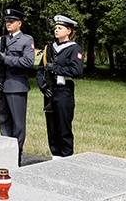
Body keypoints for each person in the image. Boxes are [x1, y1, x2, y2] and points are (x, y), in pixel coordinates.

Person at [0, 7, 35, 165]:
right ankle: (6, 152)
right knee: (4, 121)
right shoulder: (2, 40)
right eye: (7, 21)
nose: (8, 23)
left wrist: (6, 59)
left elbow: (28, 62)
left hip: (16, 86)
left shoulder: (26, 40)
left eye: (12, 21)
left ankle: (17, 153)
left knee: (17, 123)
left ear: (19, 23)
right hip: (2, 86)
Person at [36, 14, 84, 159]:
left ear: (68, 31)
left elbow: (77, 70)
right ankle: (55, 155)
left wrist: (56, 68)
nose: (56, 30)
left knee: (64, 126)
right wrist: (42, 85)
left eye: (60, 28)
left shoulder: (74, 49)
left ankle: (67, 156)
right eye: (56, 28)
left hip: (64, 91)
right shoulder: (50, 48)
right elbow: (40, 69)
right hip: (50, 90)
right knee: (51, 126)